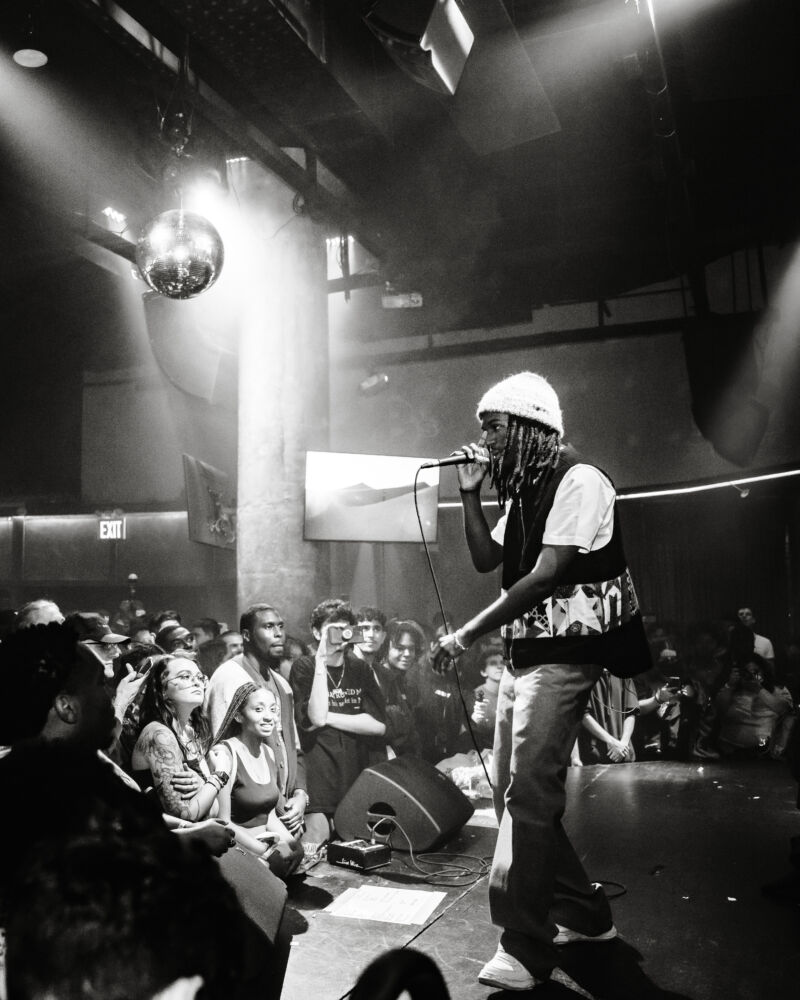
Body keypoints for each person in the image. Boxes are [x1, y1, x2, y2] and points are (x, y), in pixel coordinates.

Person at [438, 371, 650, 990]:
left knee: (528, 794)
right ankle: (587, 915)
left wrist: (464, 634)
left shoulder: (580, 480)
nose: (485, 439)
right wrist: (471, 495)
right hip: (525, 653)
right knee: (515, 792)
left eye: (494, 426)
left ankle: (525, 945)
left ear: (532, 426)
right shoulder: (526, 489)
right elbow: (489, 559)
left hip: (569, 655)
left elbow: (546, 574)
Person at [205, 603, 309, 841]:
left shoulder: (281, 683)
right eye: (268, 626)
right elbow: (222, 753)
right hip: (247, 818)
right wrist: (278, 809)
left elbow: (294, 747)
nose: (278, 633)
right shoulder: (229, 678)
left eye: (280, 626)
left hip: (282, 809)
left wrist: (300, 795)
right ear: (247, 635)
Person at [289, 599, 386, 847]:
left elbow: (378, 725)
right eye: (333, 630)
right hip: (320, 776)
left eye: (345, 629)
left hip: (354, 774)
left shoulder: (360, 668)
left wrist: (328, 718)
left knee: (356, 844)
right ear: (316, 632)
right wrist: (321, 661)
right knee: (315, 843)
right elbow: (313, 717)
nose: (340, 636)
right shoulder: (304, 666)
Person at [211, 682, 303, 878]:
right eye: (259, 709)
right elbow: (223, 822)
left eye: (273, 710)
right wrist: (265, 852)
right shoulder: (225, 754)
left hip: (265, 846)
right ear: (238, 716)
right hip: (237, 850)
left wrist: (293, 845)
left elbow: (268, 815)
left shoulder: (268, 753)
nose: (269, 717)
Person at [578, 669, 639, 764]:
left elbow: (631, 712)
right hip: (595, 757)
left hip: (624, 754)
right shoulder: (584, 676)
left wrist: (623, 743)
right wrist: (612, 742)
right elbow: (583, 715)